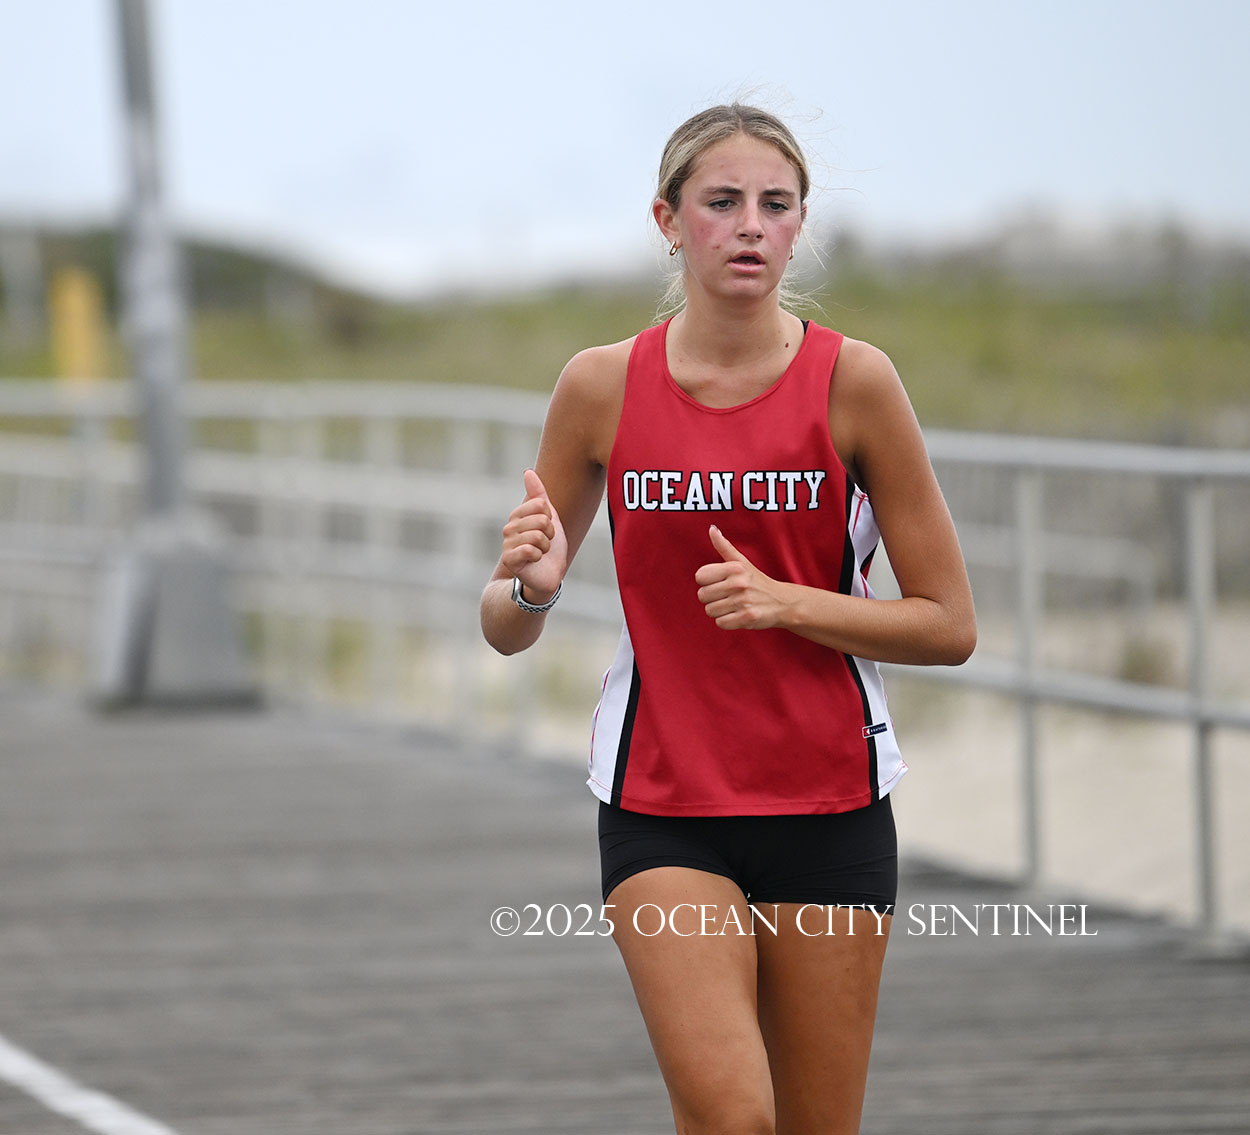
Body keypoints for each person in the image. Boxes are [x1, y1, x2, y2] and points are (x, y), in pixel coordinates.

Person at [480, 103, 976, 1135]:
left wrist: (790, 604)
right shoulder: (601, 385)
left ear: (799, 227)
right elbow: (503, 624)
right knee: (731, 1116)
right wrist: (531, 585)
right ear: (668, 221)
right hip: (662, 804)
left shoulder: (856, 382)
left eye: (775, 204)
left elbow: (948, 623)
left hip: (829, 807)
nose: (750, 225)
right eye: (721, 202)